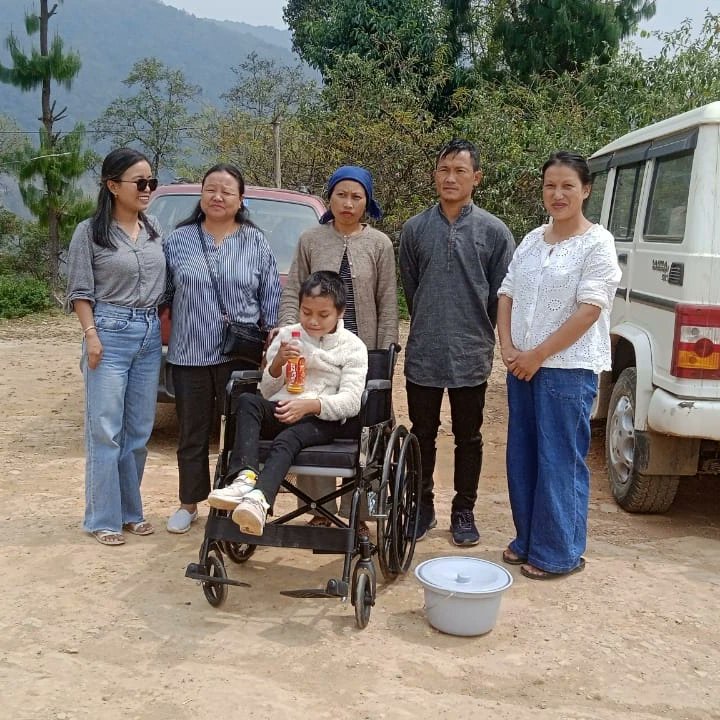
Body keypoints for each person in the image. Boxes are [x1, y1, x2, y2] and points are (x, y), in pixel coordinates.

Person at [497, 151, 621, 579]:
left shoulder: (597, 243)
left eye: (568, 185)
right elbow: (507, 292)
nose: (558, 193)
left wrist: (538, 354)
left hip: (566, 369)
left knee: (560, 460)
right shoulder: (532, 239)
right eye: (551, 185)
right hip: (522, 366)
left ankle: (559, 553)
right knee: (523, 456)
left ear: (586, 190)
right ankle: (527, 539)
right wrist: (509, 347)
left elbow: (590, 309)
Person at [399, 139, 515, 546]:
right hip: (425, 351)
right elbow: (412, 290)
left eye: (460, 171)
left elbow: (501, 294)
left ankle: (464, 511)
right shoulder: (415, 228)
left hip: (470, 353)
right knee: (421, 433)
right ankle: (422, 505)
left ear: (476, 178)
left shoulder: (495, 232)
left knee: (469, 437)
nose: (450, 178)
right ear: (435, 175)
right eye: (443, 169)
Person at [278, 166, 398, 532]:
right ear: (329, 197)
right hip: (317, 350)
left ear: (367, 202)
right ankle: (318, 508)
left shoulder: (379, 244)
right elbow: (293, 290)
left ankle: (359, 513)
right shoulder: (311, 239)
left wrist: (386, 354)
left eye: (356, 196)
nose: (348, 203)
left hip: (363, 350)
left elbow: (388, 300)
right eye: (341, 194)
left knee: (364, 429)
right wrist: (288, 335)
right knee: (314, 418)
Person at [163, 163, 281, 533]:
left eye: (226, 191)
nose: (217, 196)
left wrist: (272, 343)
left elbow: (271, 298)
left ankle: (233, 498)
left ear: (240, 199)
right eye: (210, 189)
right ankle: (188, 503)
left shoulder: (255, 241)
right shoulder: (177, 240)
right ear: (201, 195)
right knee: (192, 432)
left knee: (239, 432)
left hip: (240, 356)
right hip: (188, 353)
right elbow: (162, 294)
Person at [207, 271, 368, 535]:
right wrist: (278, 363)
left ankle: (260, 499)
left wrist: (311, 405)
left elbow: (351, 401)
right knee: (248, 401)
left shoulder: (353, 347)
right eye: (306, 312)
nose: (313, 321)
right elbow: (267, 392)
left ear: (340, 312)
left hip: (321, 418)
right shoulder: (288, 335)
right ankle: (245, 477)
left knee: (288, 439)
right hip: (284, 406)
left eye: (322, 315)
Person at [65, 148, 165, 546]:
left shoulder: (155, 227)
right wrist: (91, 336)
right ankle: (101, 518)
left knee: (139, 430)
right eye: (139, 182)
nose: (147, 189)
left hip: (148, 332)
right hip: (108, 331)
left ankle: (130, 511)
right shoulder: (89, 232)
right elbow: (79, 291)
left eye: (151, 182)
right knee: (105, 430)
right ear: (112, 185)